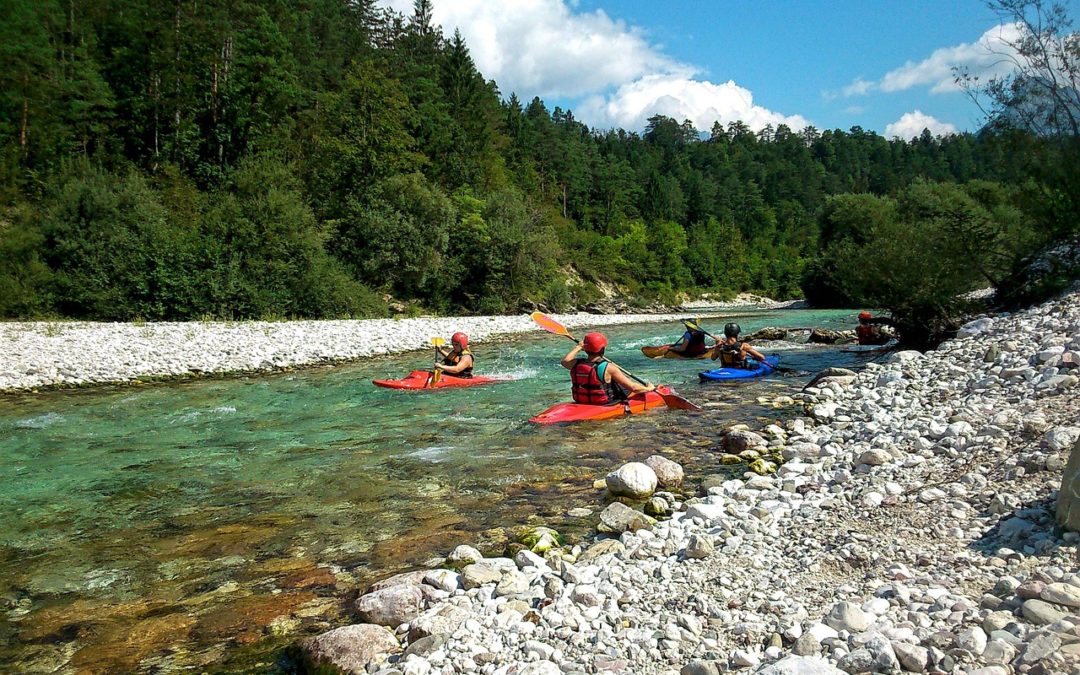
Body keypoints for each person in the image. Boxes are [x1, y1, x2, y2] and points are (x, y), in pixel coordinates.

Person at [561, 332, 655, 405]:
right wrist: (649, 389)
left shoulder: (576, 363)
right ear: (602, 349)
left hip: (581, 400)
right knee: (627, 387)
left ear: (585, 349)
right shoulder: (609, 367)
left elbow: (565, 361)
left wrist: (578, 347)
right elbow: (633, 388)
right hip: (602, 402)